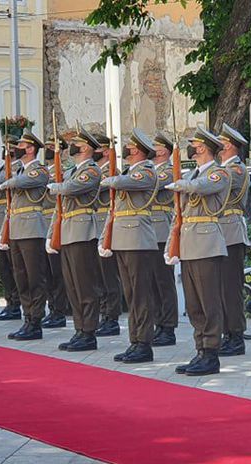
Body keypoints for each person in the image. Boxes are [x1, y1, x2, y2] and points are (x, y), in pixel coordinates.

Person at [165, 126, 230, 376]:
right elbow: (178, 215)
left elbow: (203, 187)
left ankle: (211, 352)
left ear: (202, 147)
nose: (190, 146)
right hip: (189, 243)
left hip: (206, 243)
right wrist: (173, 244)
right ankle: (200, 348)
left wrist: (181, 183)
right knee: (194, 304)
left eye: (193, 143)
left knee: (208, 301)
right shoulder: (192, 175)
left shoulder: (218, 173)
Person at [101, 129, 161, 363]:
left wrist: (110, 178)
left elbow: (122, 183)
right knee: (131, 293)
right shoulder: (130, 171)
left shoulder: (146, 171)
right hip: (123, 239)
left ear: (136, 150)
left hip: (138, 238)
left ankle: (144, 343)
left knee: (140, 294)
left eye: (129, 146)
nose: (126, 148)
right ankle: (135, 340)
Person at [47, 127, 104, 352]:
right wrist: (52, 233)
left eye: (77, 143)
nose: (73, 146)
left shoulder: (91, 170)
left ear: (87, 148)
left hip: (82, 231)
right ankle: (79, 329)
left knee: (85, 285)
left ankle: (89, 332)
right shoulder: (73, 170)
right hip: (69, 229)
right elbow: (60, 207)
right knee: (72, 285)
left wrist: (57, 186)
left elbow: (73, 188)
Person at [0, 130, 50, 341]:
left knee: (34, 277)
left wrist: (8, 182)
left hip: (32, 229)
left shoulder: (38, 170)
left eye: (21, 146)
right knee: (21, 277)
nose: (16, 149)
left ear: (30, 149)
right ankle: (27, 318)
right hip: (17, 229)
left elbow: (23, 183)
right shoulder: (19, 170)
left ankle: (35, 321)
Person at [216, 123, 251, 357]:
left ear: (228, 145)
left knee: (230, 288)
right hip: (220, 232)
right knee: (220, 287)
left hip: (231, 231)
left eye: (220, 141)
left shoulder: (235, 170)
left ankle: (236, 336)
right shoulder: (223, 169)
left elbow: (220, 187)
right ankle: (227, 332)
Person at [93, 134, 124, 336]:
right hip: (97, 224)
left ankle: (111, 317)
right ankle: (104, 313)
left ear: (105, 151)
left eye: (95, 149)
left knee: (109, 276)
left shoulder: (112, 171)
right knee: (99, 276)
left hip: (109, 223)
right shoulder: (97, 171)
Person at [149, 132, 179, 346]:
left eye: (155, 147)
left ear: (164, 151)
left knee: (163, 281)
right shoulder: (152, 171)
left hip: (161, 226)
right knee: (152, 281)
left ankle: (168, 326)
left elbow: (152, 186)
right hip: (149, 228)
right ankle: (158, 322)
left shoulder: (169, 171)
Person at [41, 137, 71, 329]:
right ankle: (52, 307)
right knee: (47, 272)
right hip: (44, 223)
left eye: (54, 147)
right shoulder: (45, 171)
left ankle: (60, 310)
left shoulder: (66, 170)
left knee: (58, 271)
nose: (50, 150)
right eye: (48, 146)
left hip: (58, 223)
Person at [0, 135, 23, 321]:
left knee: (15, 266)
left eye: (10, 147)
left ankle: (17, 302)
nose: (7, 151)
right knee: (4, 266)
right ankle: (10, 301)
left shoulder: (18, 167)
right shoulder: (4, 167)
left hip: (11, 219)